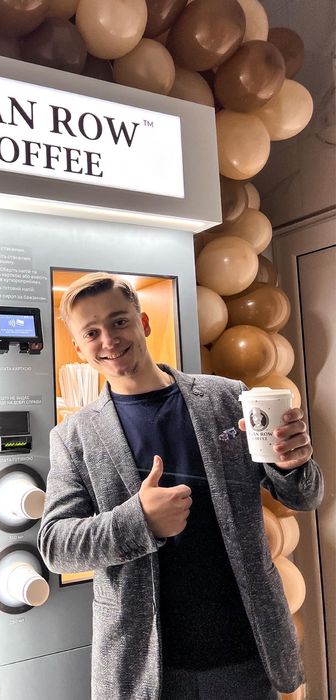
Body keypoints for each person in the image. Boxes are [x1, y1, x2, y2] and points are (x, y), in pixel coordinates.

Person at [37, 272, 323, 700]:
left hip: (245, 654)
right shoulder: (73, 437)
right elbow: (56, 546)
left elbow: (304, 495)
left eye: (119, 321)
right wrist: (140, 521)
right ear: (79, 348)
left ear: (143, 322)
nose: (109, 340)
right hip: (146, 669)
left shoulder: (227, 398)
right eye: (91, 333)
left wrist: (294, 462)